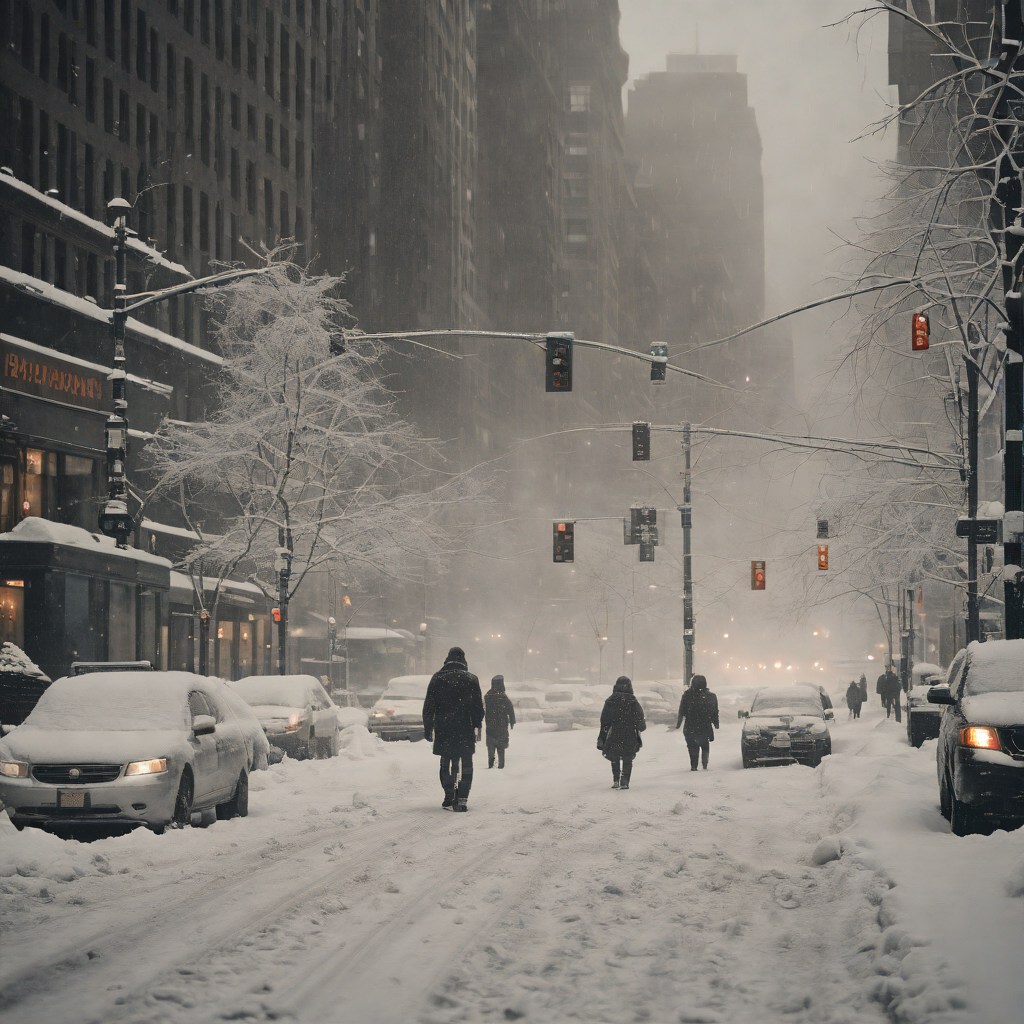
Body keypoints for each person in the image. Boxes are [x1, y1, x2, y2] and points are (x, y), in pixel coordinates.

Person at [422, 647, 484, 812]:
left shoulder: (437, 678)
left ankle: (449, 794)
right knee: (466, 764)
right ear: (464, 661)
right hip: (465, 728)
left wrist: (428, 728)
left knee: (447, 763)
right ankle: (462, 797)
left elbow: (429, 707)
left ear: (447, 660)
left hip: (444, 728)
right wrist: (477, 726)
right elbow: (478, 708)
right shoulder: (471, 679)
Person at [598, 676, 646, 790]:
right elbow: (639, 717)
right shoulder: (632, 700)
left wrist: (602, 735)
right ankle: (625, 781)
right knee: (627, 757)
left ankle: (615, 779)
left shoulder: (610, 700)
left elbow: (604, 719)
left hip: (614, 732)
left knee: (614, 756)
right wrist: (640, 726)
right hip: (629, 733)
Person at [676, 674, 720, 771]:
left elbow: (681, 710)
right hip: (705, 725)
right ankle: (705, 764)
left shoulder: (687, 695)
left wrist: (678, 723)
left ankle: (694, 765)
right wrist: (716, 723)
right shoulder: (711, 696)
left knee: (692, 746)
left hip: (690, 726)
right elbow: (714, 711)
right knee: (705, 744)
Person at [484, 674, 515, 769]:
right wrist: (512, 721)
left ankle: (490, 762)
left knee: (491, 745)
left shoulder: (488, 696)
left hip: (490, 725)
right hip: (502, 726)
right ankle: (501, 764)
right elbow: (510, 709)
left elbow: (485, 709)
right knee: (501, 747)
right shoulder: (504, 697)